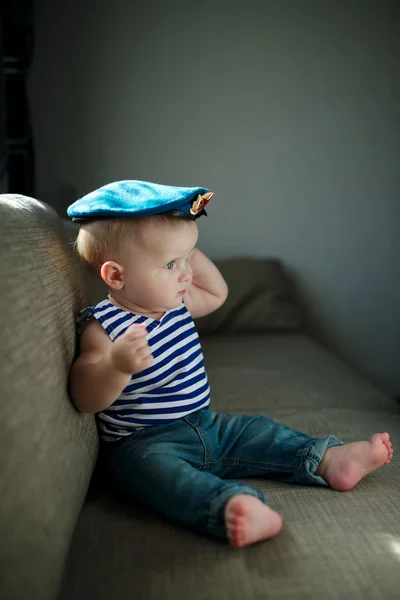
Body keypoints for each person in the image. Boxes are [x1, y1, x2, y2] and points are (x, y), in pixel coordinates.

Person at [68, 180, 393, 548]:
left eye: (187, 259)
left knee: (259, 433)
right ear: (116, 276)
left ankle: (328, 459)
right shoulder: (103, 326)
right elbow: (85, 396)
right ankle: (230, 506)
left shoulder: (177, 302)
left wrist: (182, 248)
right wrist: (117, 364)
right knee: (157, 477)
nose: (186, 275)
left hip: (208, 424)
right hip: (143, 444)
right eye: (171, 265)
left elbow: (218, 293)